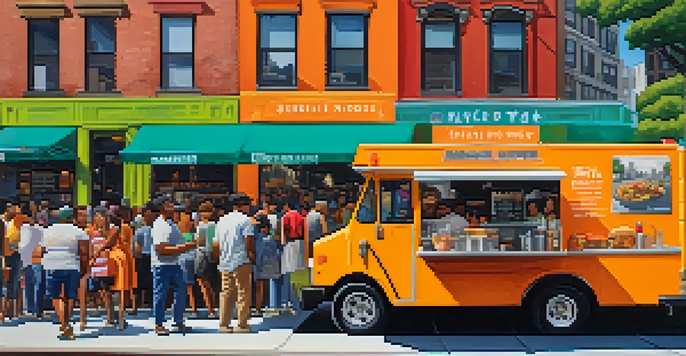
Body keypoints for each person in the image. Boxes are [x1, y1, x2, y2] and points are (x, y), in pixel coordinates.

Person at [151, 195, 203, 336]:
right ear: (161, 209)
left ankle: (178, 320)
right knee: (160, 295)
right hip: (161, 265)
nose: (172, 208)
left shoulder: (171, 224)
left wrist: (189, 243)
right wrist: (188, 246)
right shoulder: (159, 226)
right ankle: (159, 324)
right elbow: (162, 250)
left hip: (175, 263)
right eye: (169, 205)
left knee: (181, 292)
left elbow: (178, 244)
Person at [43, 206, 90, 339]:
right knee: (70, 296)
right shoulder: (79, 232)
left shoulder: (48, 230)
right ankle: (66, 324)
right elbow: (84, 253)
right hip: (72, 264)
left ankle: (64, 324)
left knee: (56, 296)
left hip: (51, 263)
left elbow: (41, 249)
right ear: (73, 218)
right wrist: (84, 269)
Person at [215, 193, 255, 333]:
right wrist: (252, 256)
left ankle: (224, 324)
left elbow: (216, 243)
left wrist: (219, 258)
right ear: (240, 205)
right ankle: (242, 324)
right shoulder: (245, 221)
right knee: (243, 292)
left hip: (225, 261)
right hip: (241, 260)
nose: (249, 207)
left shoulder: (222, 221)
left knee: (226, 292)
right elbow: (248, 241)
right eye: (247, 204)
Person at [84, 207, 117, 330]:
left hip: (106, 262)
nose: (99, 219)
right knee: (96, 290)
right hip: (95, 264)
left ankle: (111, 317)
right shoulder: (90, 230)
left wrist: (98, 251)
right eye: (96, 216)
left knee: (106, 291)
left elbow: (109, 242)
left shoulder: (111, 229)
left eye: (101, 216)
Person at [108, 207, 137, 330]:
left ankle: (117, 315)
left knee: (120, 288)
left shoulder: (119, 228)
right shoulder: (125, 227)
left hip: (117, 258)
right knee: (124, 288)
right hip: (124, 258)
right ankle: (121, 315)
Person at [280, 201, 308, 311]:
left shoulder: (286, 217)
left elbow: (285, 231)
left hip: (290, 243)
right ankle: (299, 297)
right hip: (300, 243)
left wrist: (283, 243)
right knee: (299, 268)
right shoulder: (301, 217)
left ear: (287, 206)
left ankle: (289, 299)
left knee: (288, 269)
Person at [253, 214, 280, 316]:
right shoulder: (271, 238)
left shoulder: (259, 238)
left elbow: (259, 252)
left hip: (260, 264)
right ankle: (274, 305)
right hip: (271, 264)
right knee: (272, 284)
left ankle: (258, 308)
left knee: (259, 286)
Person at [194, 201, 217, 318]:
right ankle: (212, 307)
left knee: (203, 283)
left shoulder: (202, 226)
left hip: (202, 255)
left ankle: (210, 309)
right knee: (209, 283)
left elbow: (200, 242)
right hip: (212, 254)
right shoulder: (215, 225)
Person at [132, 202, 155, 314]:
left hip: (142, 258)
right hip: (153, 256)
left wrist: (136, 258)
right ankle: (150, 303)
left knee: (139, 281)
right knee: (151, 281)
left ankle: (136, 306)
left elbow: (136, 247)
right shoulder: (155, 230)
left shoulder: (139, 231)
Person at [22, 215, 45, 319]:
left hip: (27, 261)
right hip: (37, 261)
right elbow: (42, 247)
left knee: (29, 285)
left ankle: (30, 309)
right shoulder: (41, 230)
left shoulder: (23, 229)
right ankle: (38, 310)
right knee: (38, 286)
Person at [177, 208, 198, 317]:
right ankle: (194, 308)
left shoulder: (179, 232)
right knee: (191, 285)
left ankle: (190, 308)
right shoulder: (193, 233)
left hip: (183, 260)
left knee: (185, 285)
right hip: (194, 258)